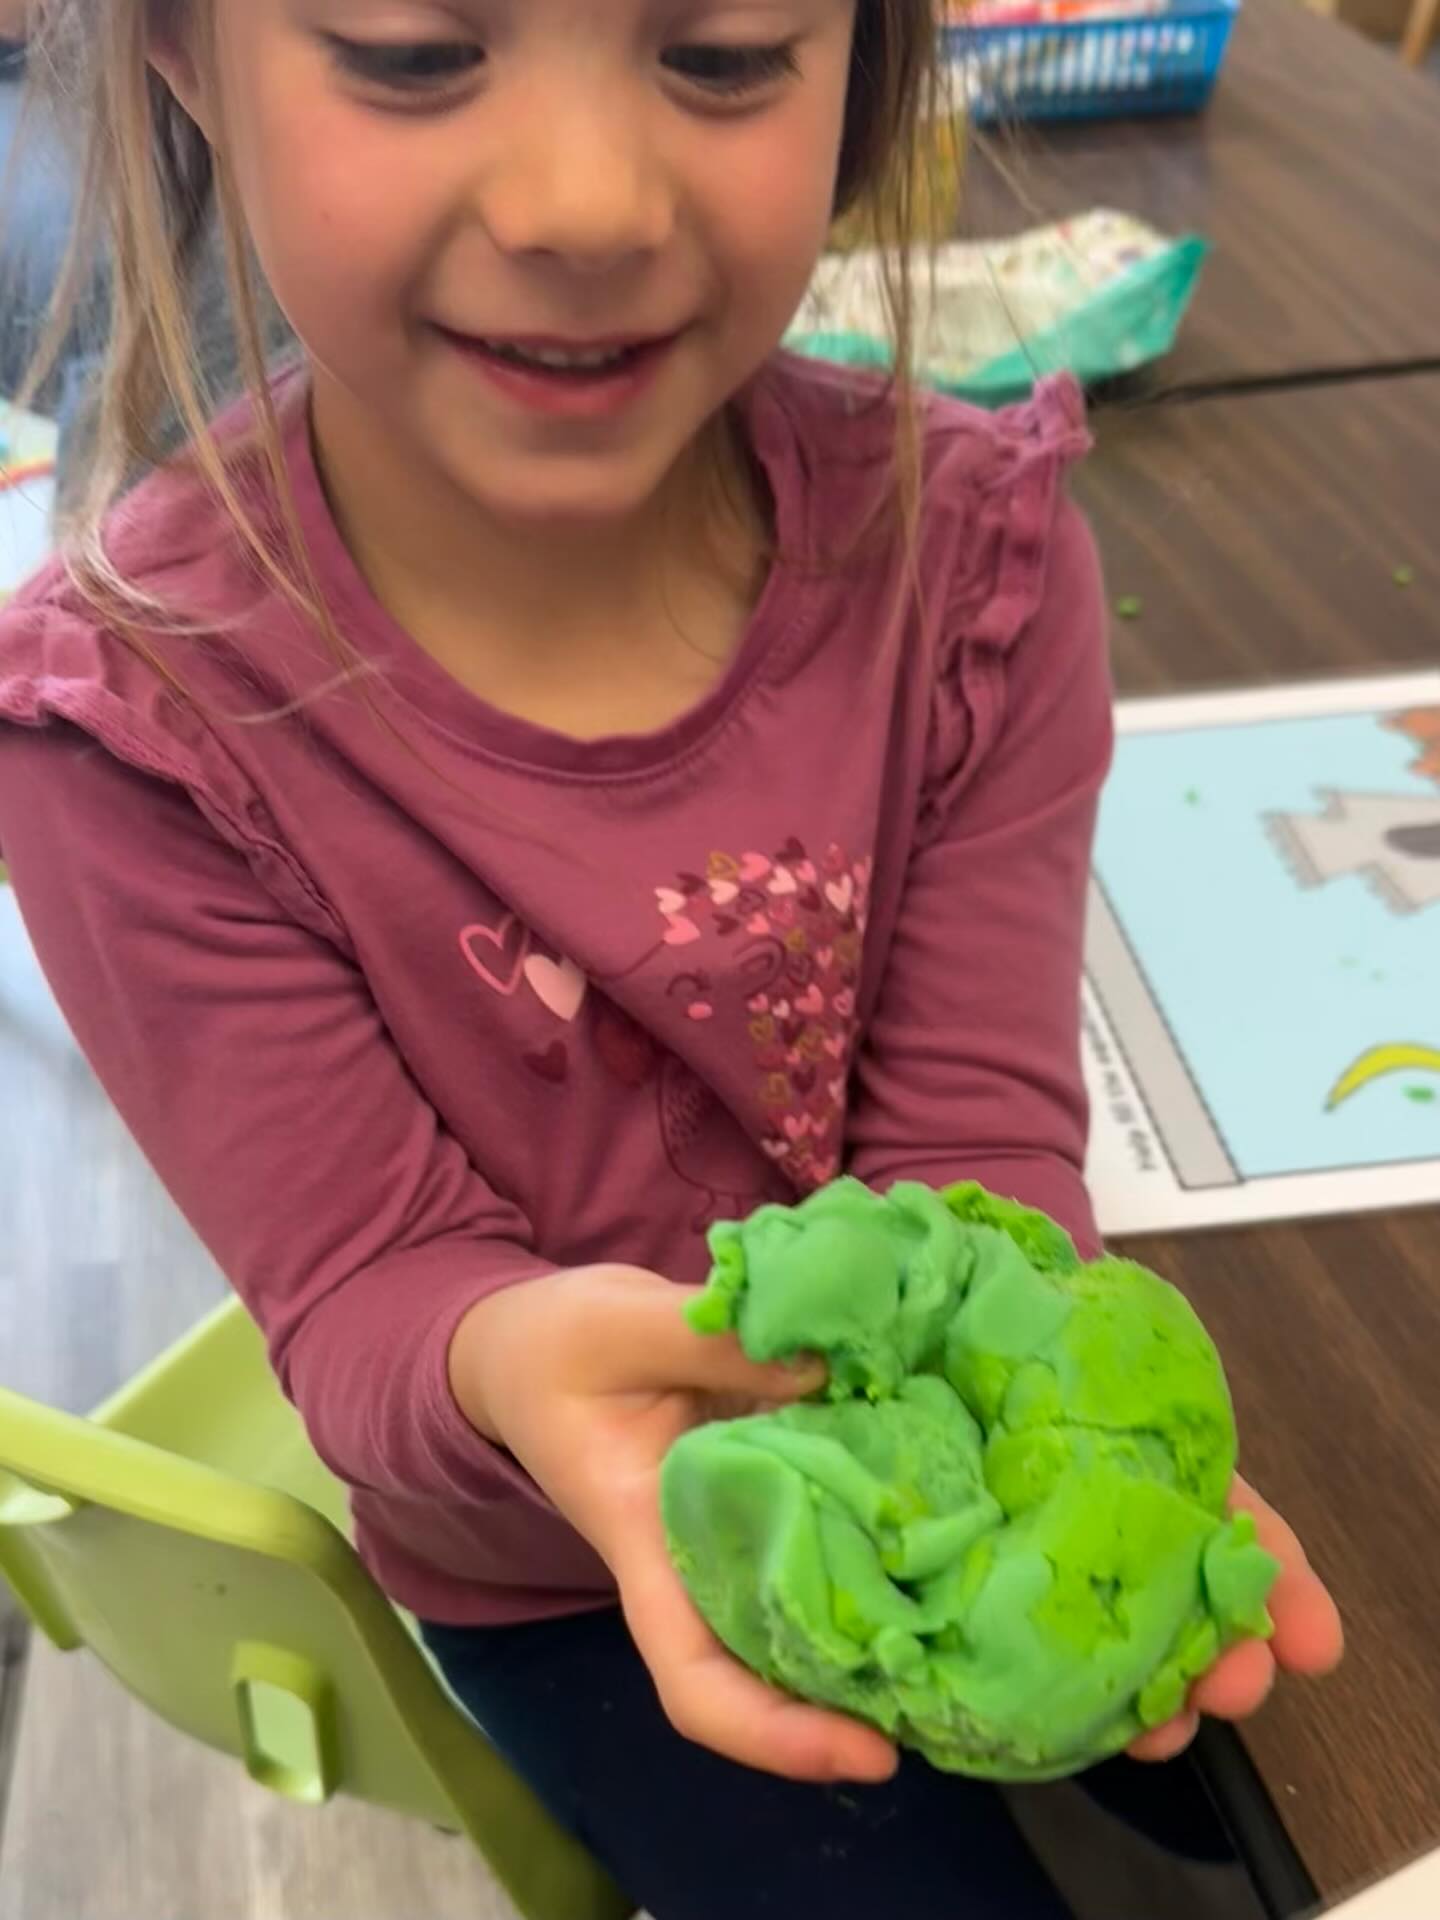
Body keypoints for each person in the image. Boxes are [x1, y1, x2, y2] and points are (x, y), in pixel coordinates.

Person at [0, 3, 1342, 1914]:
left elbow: (975, 1140)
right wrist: (514, 1367)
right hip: (552, 1568)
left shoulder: (977, 579)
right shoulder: (130, 737)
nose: (585, 202)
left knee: (1270, 1784)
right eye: (409, 48)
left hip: (947, 1452)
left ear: (864, 67)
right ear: (183, 54)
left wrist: (1020, 1445)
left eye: (717, 57)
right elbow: (370, 1295)